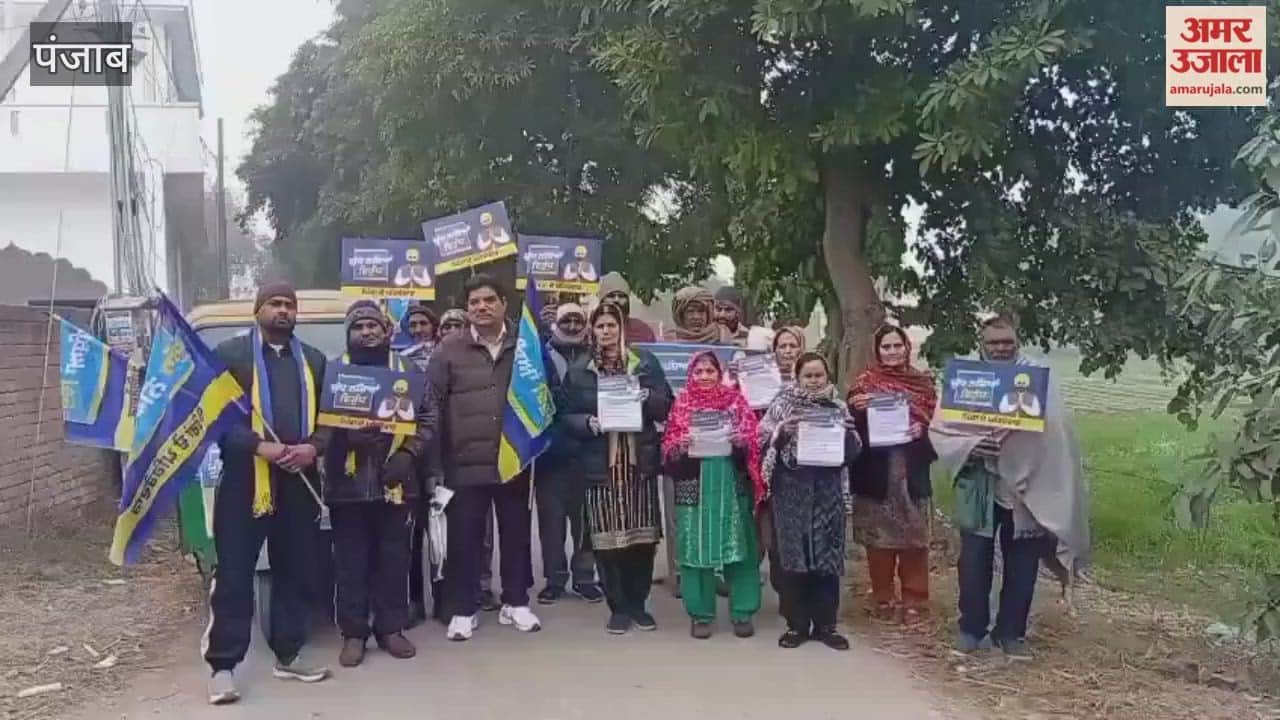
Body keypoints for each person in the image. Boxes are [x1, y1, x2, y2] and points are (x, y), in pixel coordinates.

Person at [930, 315, 1090, 660]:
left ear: (1017, 341)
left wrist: (1023, 454)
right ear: (981, 343)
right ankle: (971, 629)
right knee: (973, 561)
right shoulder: (966, 377)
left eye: (1007, 342)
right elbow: (942, 428)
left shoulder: (1037, 378)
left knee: (1022, 566)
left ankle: (1011, 634)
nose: (1001, 348)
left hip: (1026, 488)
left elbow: (1055, 434)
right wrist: (972, 447)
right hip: (980, 486)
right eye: (994, 342)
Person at [204, 282, 330, 705]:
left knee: (295, 570)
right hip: (245, 481)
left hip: (299, 482)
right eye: (274, 304)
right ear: (257, 310)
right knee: (236, 574)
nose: (283, 311)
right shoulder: (231, 356)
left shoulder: (312, 360)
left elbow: (332, 418)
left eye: (289, 305)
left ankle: (289, 653)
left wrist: (313, 447)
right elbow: (217, 418)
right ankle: (223, 667)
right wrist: (260, 446)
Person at [427, 274, 541, 641]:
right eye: (474, 302)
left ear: (504, 304)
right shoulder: (448, 350)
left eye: (489, 300)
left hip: (513, 458)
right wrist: (438, 465)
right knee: (465, 539)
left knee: (516, 535)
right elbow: (433, 407)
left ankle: (517, 603)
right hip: (465, 461)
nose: (481, 307)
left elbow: (544, 394)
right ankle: (464, 609)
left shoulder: (525, 347)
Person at [321, 301, 432, 667]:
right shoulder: (333, 372)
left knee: (394, 559)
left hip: (397, 482)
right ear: (349, 335)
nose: (367, 332)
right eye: (359, 327)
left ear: (388, 332)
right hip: (347, 486)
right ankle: (354, 633)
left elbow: (429, 416)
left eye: (374, 326)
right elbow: (317, 426)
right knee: (350, 562)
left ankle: (391, 629)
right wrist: (342, 440)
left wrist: (408, 454)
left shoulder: (409, 370)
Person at [555, 302, 674, 633]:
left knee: (642, 541)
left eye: (612, 326)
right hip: (600, 465)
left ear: (622, 329)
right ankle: (618, 607)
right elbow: (563, 416)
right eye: (601, 326)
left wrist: (647, 395)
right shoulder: (581, 369)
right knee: (607, 542)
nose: (606, 332)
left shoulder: (644, 364)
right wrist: (588, 423)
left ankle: (639, 604)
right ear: (592, 330)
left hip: (639, 464)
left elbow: (667, 408)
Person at [758, 352, 861, 650]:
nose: (814, 382)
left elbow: (854, 453)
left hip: (828, 491)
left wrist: (847, 436)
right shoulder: (782, 405)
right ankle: (796, 625)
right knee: (794, 558)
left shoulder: (838, 408)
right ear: (797, 378)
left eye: (819, 375)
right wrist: (782, 433)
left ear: (827, 377)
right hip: (791, 490)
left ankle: (826, 625)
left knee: (827, 558)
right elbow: (761, 439)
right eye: (808, 376)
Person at [662, 351, 763, 639]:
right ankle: (701, 615)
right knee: (695, 549)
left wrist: (741, 442)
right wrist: (680, 445)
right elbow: (668, 450)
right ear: (691, 375)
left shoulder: (736, 402)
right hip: (693, 485)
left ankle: (743, 611)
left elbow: (753, 441)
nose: (705, 377)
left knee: (741, 547)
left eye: (711, 371)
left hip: (732, 482)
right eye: (699, 372)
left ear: (720, 374)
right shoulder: (682, 405)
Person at [848, 325, 938, 623]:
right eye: (885, 347)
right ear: (877, 351)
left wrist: (922, 429)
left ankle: (915, 600)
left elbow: (938, 424)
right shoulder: (864, 384)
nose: (892, 352)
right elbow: (850, 432)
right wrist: (857, 409)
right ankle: (883, 597)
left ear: (906, 347)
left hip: (910, 468)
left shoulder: (923, 384)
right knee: (879, 540)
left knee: (914, 537)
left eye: (897, 346)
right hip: (876, 471)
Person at [536, 302, 604, 605]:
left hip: (588, 449)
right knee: (552, 522)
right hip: (551, 452)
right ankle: (554, 579)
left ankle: (584, 578)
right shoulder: (539, 355)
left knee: (586, 521)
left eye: (579, 320)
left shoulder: (598, 356)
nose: (573, 326)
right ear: (556, 323)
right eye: (567, 320)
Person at [597, 273, 657, 344]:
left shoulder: (642, 331)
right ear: (602, 300)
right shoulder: (591, 331)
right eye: (611, 296)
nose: (616, 300)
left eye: (621, 296)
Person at [663, 287, 730, 345]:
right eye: (690, 311)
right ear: (680, 315)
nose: (696, 317)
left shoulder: (722, 336)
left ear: (708, 314)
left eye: (701, 311)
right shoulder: (667, 339)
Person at [399, 304, 439, 373]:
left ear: (433, 326)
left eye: (423, 323)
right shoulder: (401, 357)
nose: (418, 330)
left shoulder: (444, 352)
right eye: (413, 325)